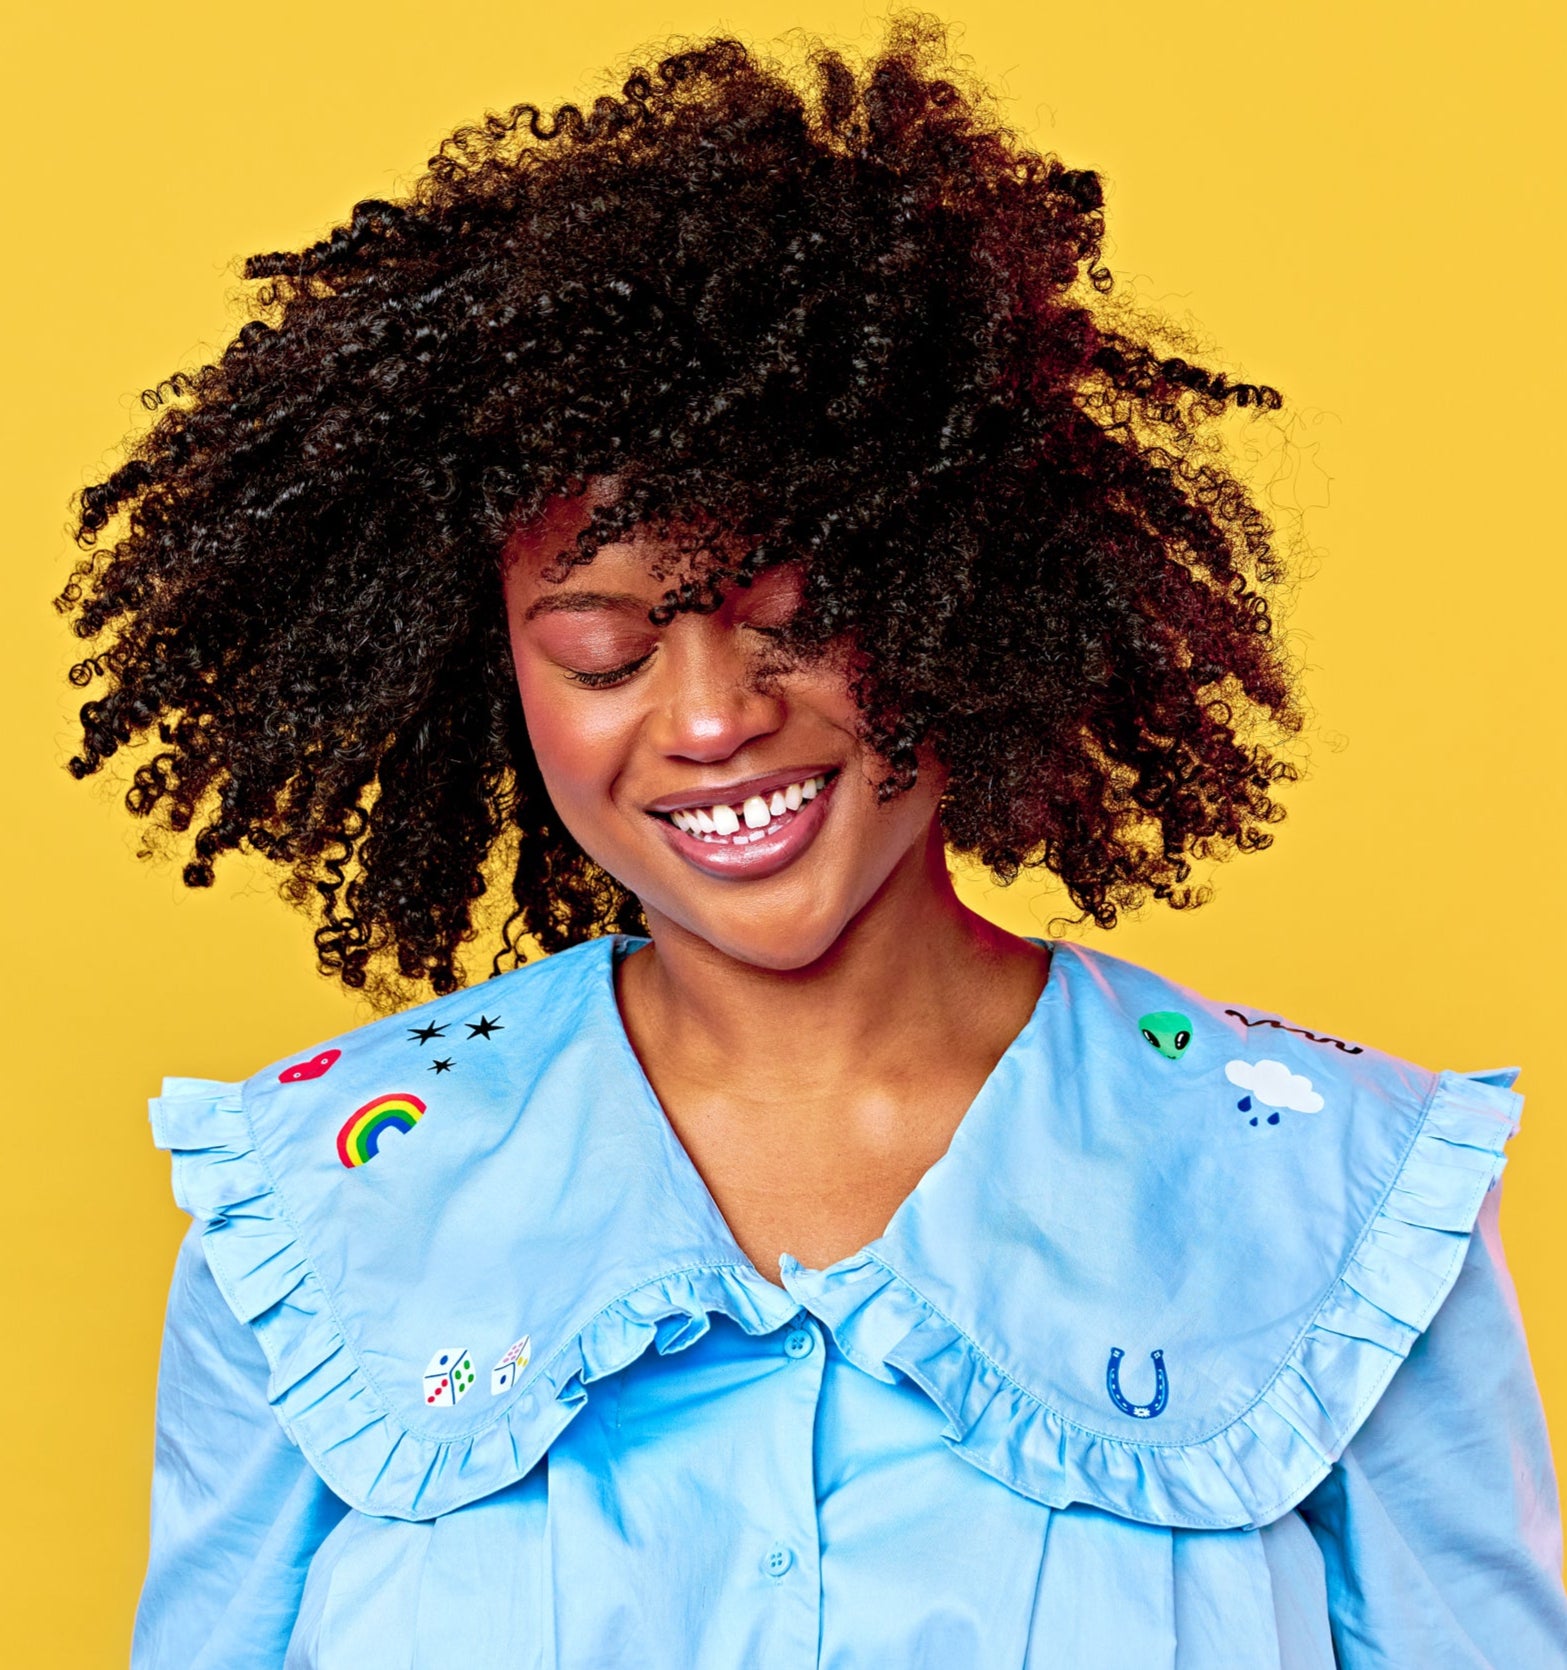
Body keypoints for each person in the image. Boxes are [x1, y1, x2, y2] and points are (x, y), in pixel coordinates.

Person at [62, 20, 1566, 1668]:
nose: (709, 722)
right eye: (604, 654)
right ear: (486, 666)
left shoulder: (1344, 1205)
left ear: (966, 596)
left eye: (797, 620)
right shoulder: (307, 1219)